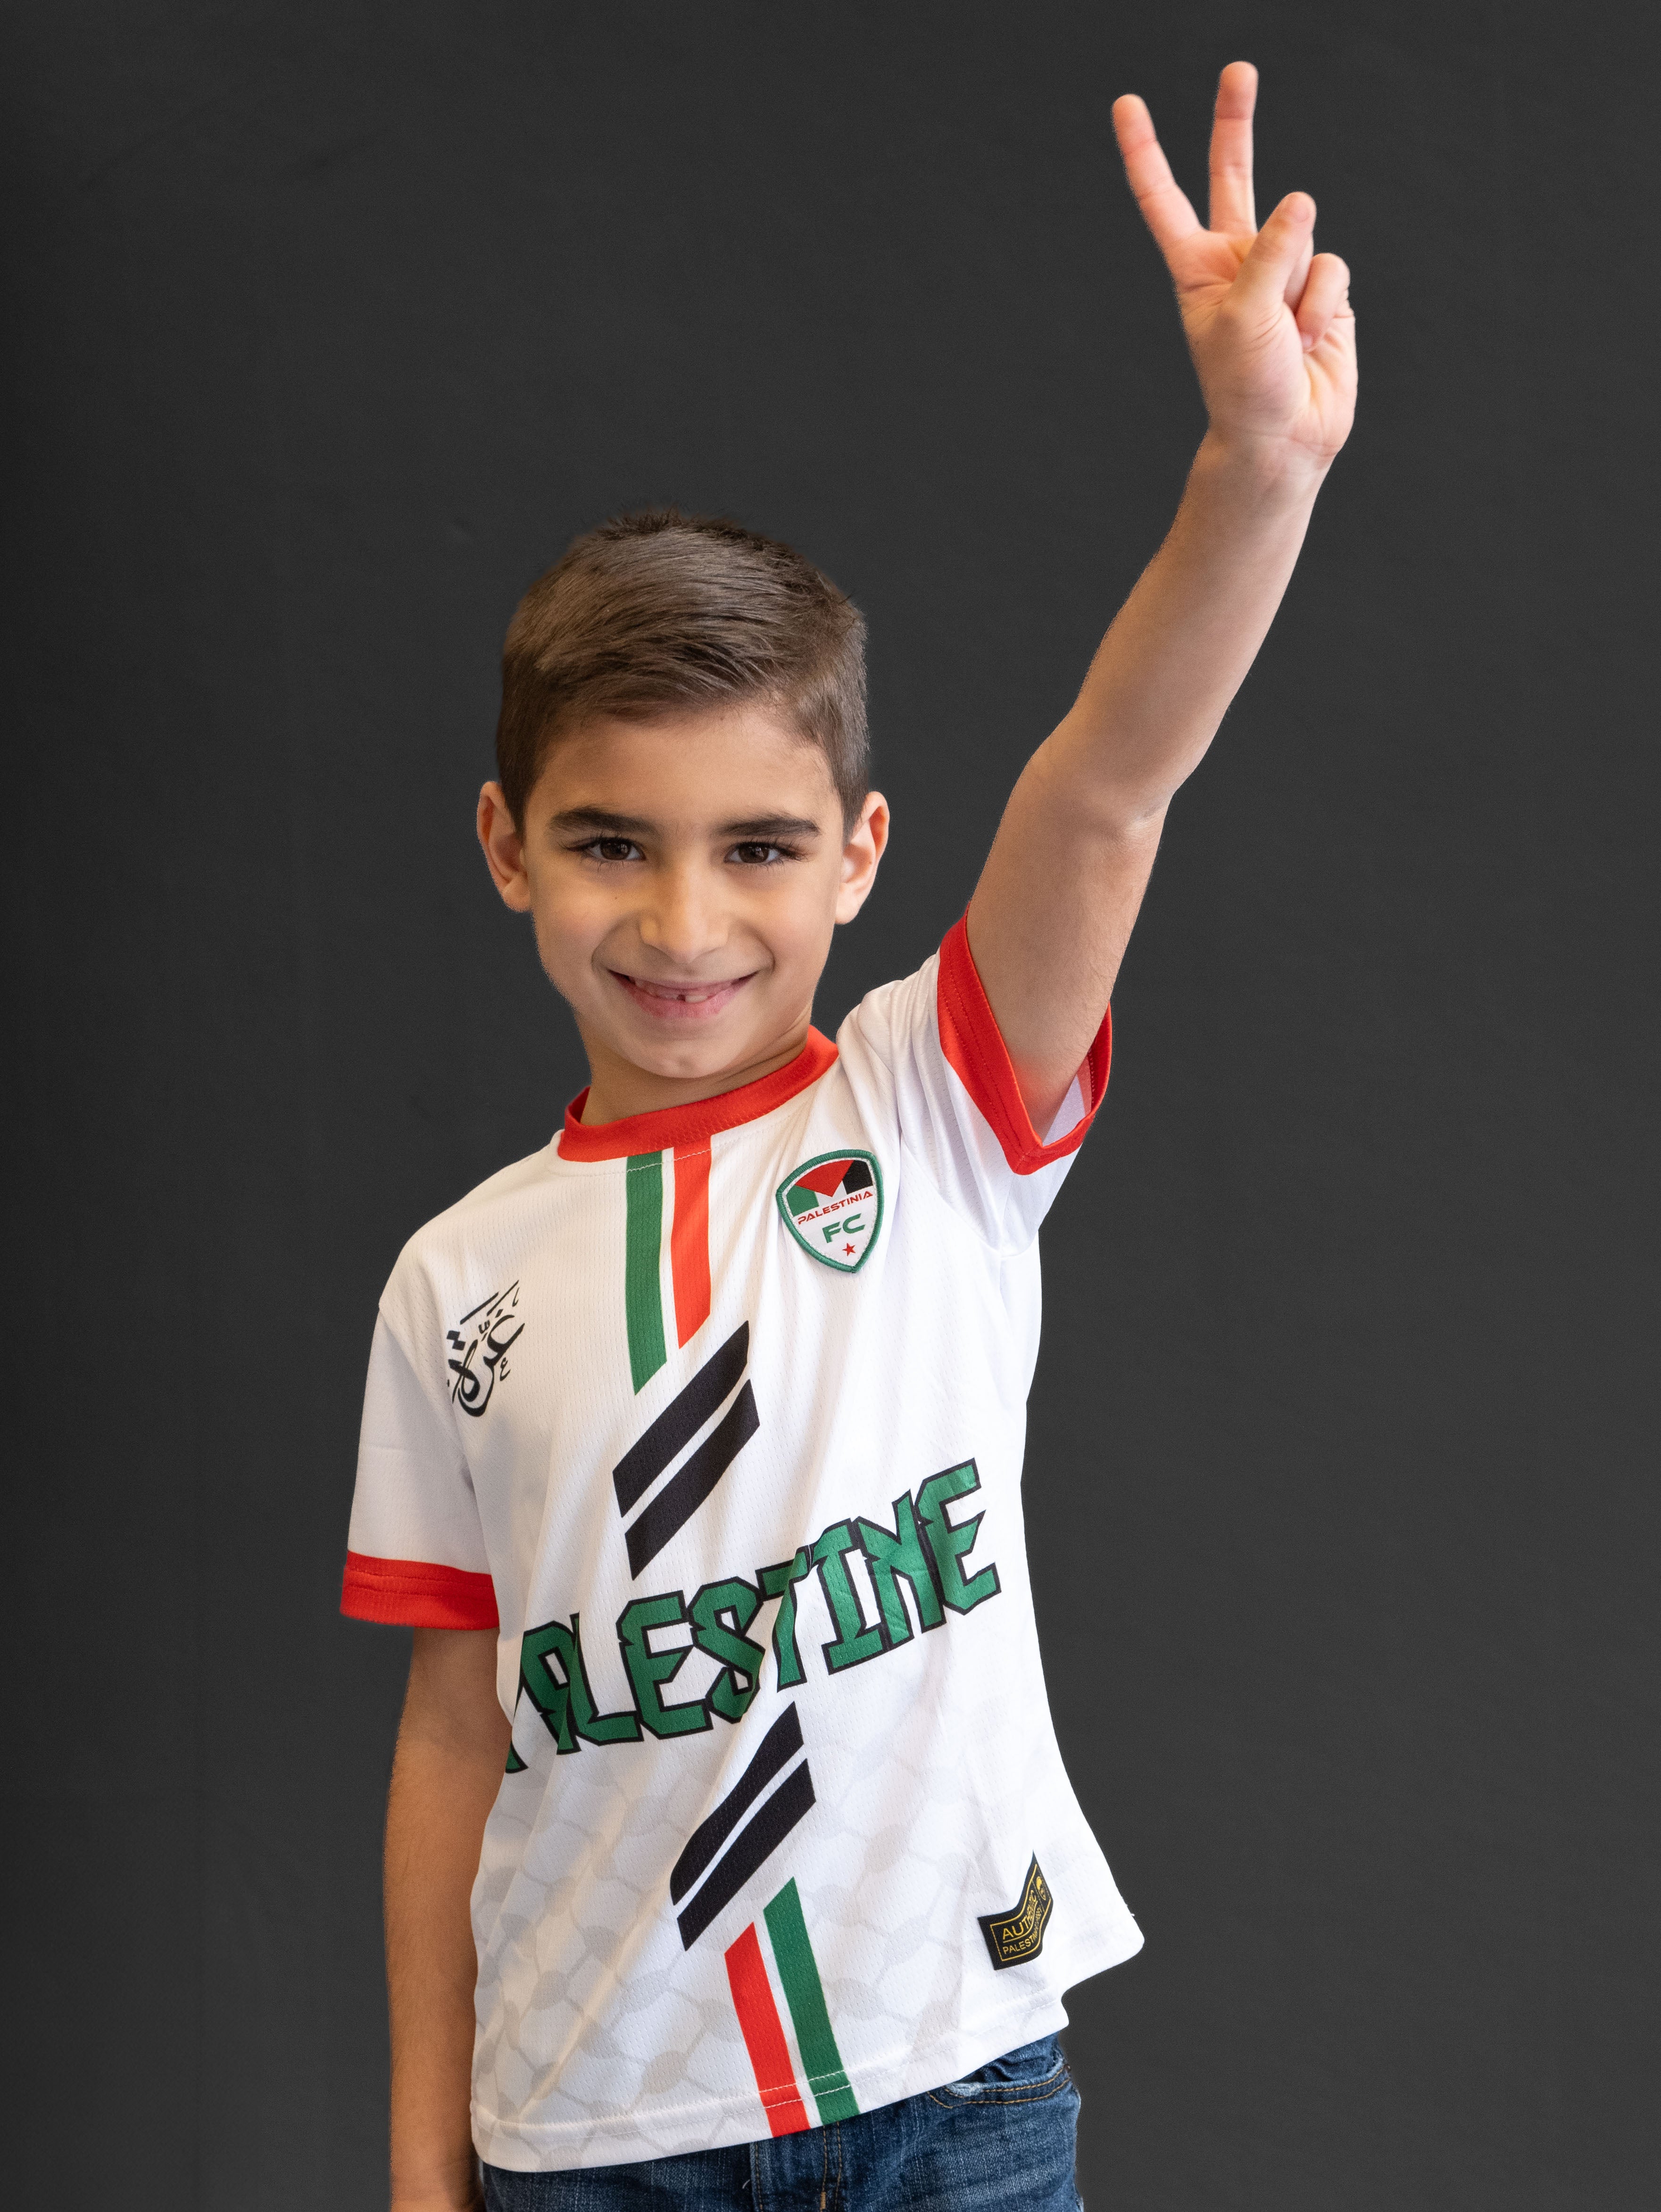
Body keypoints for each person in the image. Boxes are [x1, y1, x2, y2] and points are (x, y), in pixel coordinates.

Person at [341, 59, 1355, 2212]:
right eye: (612, 843)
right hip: (586, 2134)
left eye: (758, 847)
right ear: (508, 848)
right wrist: (423, 2173)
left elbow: (1105, 786)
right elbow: (454, 1739)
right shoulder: (456, 1281)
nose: (684, 922)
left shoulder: (939, 1104)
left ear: (862, 854)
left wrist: (1253, 467)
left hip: (950, 2094)